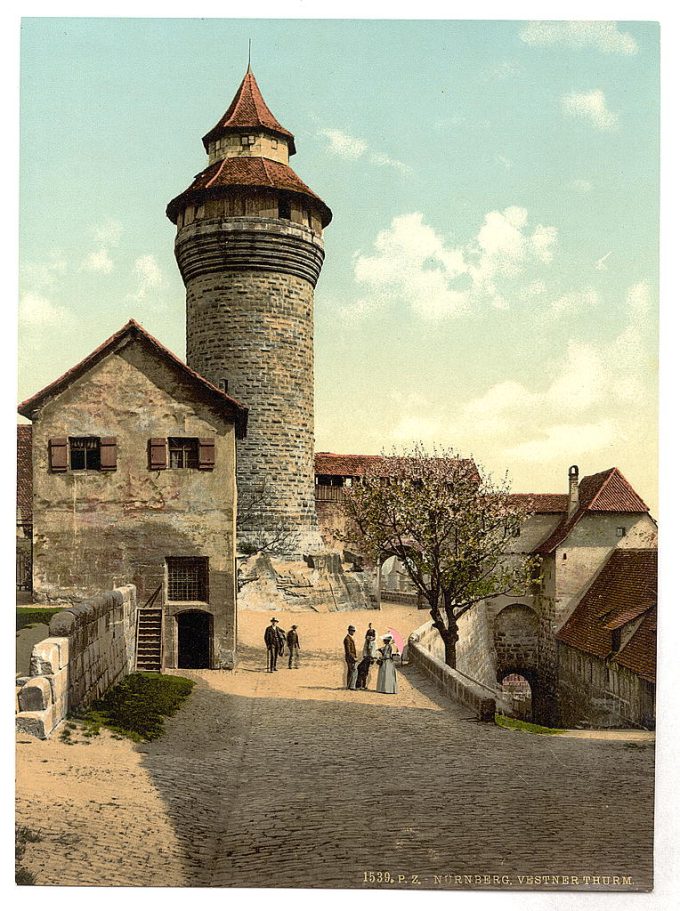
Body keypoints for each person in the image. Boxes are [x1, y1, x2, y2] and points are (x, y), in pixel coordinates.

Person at [356, 625, 377, 689]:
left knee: (366, 671)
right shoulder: (367, 641)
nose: (370, 637)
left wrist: (372, 657)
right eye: (369, 635)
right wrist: (365, 655)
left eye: (371, 635)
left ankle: (364, 685)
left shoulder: (373, 642)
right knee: (362, 670)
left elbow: (373, 650)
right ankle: (361, 684)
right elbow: (365, 649)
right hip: (366, 658)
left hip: (370, 658)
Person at [343, 625, 358, 689]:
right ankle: (352, 686)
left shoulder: (349, 638)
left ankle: (349, 685)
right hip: (350, 658)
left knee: (350, 671)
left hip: (350, 657)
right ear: (349, 631)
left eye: (354, 631)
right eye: (352, 631)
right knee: (354, 671)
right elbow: (348, 651)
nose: (353, 632)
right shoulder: (347, 639)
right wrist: (353, 658)